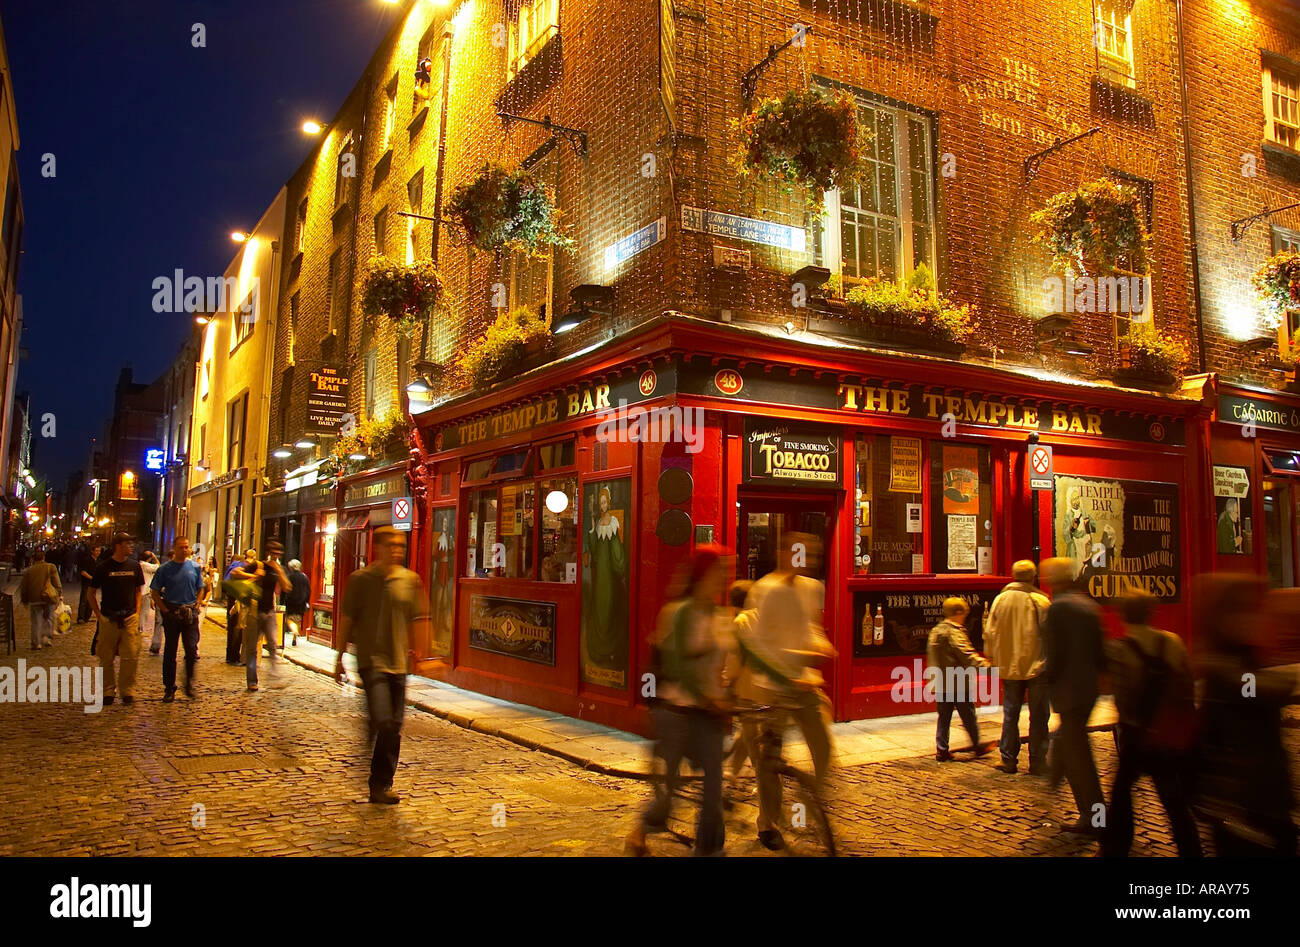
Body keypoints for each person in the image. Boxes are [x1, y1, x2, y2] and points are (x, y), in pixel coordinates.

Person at [626, 548, 735, 857]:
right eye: (717, 573)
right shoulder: (677, 612)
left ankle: (708, 849)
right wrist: (708, 698)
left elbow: (736, 658)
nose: (722, 579)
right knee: (668, 792)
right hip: (675, 713)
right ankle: (642, 830)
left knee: (714, 787)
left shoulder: (722, 616)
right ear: (701, 575)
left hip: (708, 716)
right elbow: (677, 667)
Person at [733, 531, 835, 851]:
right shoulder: (765, 590)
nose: (807, 559)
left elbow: (811, 630)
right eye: (800, 552)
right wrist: (795, 661)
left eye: (812, 553)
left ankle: (810, 801)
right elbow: (758, 644)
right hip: (770, 686)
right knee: (768, 763)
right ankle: (769, 822)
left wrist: (822, 648)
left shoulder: (812, 588)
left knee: (823, 746)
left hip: (802, 682)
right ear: (784, 553)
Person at [1194, 575, 1297, 856]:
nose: (1257, 617)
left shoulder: (1243, 658)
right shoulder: (1223, 668)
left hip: (1264, 796)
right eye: (1248, 610)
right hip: (1243, 803)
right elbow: (1254, 690)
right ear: (1225, 617)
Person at [1101, 589, 1202, 857]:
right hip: (1168, 734)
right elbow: (1188, 683)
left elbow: (1123, 699)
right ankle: (1191, 850)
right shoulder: (1172, 642)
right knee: (1173, 799)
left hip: (1137, 735)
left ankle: (1115, 846)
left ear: (1123, 614)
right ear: (1150, 613)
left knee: (1121, 792)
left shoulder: (1119, 650)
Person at [334, 527, 422, 804]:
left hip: (398, 663)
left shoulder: (410, 581)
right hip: (371, 662)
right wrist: (338, 657)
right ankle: (379, 781)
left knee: (393, 725)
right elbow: (347, 619)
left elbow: (420, 617)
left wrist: (422, 653)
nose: (397, 550)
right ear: (379, 548)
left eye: (401, 545)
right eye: (392, 545)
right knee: (385, 720)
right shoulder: (361, 580)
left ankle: (382, 784)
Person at [1039, 557, 1106, 836]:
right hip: (1087, 689)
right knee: (1071, 743)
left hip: (1069, 690)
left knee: (1080, 760)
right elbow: (1100, 652)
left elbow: (1055, 655)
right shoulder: (1087, 605)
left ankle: (1095, 818)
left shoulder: (1058, 609)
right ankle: (1054, 780)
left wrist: (1043, 680)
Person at [984, 560, 1051, 774]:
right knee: (1039, 715)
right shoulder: (1040, 601)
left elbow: (990, 631)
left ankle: (1009, 759)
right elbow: (1050, 635)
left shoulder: (1000, 600)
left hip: (1009, 665)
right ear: (1033, 576)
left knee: (1011, 713)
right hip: (1037, 665)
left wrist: (992, 657)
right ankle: (1038, 761)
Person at [927, 598, 992, 762]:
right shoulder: (954, 632)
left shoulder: (936, 631)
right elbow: (967, 655)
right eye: (964, 614)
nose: (965, 617)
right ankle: (977, 746)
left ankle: (942, 750)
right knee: (968, 715)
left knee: (944, 717)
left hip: (942, 682)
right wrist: (990, 668)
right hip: (958, 682)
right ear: (958, 613)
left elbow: (932, 658)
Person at [151, 536, 208, 703]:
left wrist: (197, 604)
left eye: (187, 547)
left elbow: (200, 589)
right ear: (174, 549)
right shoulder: (164, 569)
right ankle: (169, 687)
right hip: (172, 612)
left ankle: (189, 683)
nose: (185, 550)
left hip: (190, 614)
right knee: (170, 652)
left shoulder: (195, 568)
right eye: (181, 547)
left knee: (191, 650)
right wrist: (165, 611)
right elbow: (155, 592)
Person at [90, 533, 145, 706]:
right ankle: (108, 691)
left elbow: (138, 590)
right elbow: (91, 593)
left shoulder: (135, 566)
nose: (131, 546)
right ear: (118, 546)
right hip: (109, 617)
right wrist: (99, 615)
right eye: (128, 543)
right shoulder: (103, 567)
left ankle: (127, 690)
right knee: (106, 657)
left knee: (130, 656)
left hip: (128, 618)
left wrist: (136, 611)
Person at [243, 540, 290, 692]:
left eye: (279, 553)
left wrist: (281, 572)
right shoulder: (258, 565)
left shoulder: (278, 569)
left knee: (272, 645)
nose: (276, 555)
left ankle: (274, 678)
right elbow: (235, 573)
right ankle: (252, 681)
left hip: (269, 612)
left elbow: (287, 588)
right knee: (252, 649)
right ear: (268, 552)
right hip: (254, 611)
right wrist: (255, 576)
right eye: (274, 552)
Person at [19, 549, 61, 651]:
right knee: (48, 618)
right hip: (48, 597)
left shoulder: (29, 570)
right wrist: (59, 594)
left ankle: (36, 642)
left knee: (36, 621)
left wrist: (24, 599)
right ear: (44, 557)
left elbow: (24, 586)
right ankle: (46, 638)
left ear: (33, 559)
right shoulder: (51, 567)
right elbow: (56, 582)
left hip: (34, 598)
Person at [223, 548, 257, 665]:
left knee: (236, 627)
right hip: (236, 599)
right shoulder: (240, 565)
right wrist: (252, 577)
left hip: (236, 598)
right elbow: (234, 573)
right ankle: (233, 656)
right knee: (237, 627)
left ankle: (233, 655)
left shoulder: (238, 564)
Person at [284, 559, 311, 647]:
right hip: (301, 601)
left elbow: (286, 589)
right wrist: (306, 600)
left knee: (289, 619)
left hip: (291, 601)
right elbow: (308, 590)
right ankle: (294, 639)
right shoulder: (304, 577)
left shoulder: (289, 576)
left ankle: (295, 631)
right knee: (298, 620)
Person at [139, 551, 161, 656]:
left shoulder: (140, 564)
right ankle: (139, 629)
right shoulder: (146, 565)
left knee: (141, 612)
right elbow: (158, 567)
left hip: (140, 592)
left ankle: (138, 628)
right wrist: (155, 557)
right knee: (144, 613)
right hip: (145, 592)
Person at [76, 543, 101, 624]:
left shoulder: (98, 561)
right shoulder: (87, 560)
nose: (98, 552)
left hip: (94, 584)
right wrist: (92, 578)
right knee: (84, 600)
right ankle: (81, 617)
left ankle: (87, 616)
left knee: (91, 601)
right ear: (92, 551)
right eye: (96, 551)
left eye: (99, 551)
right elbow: (83, 572)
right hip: (86, 583)